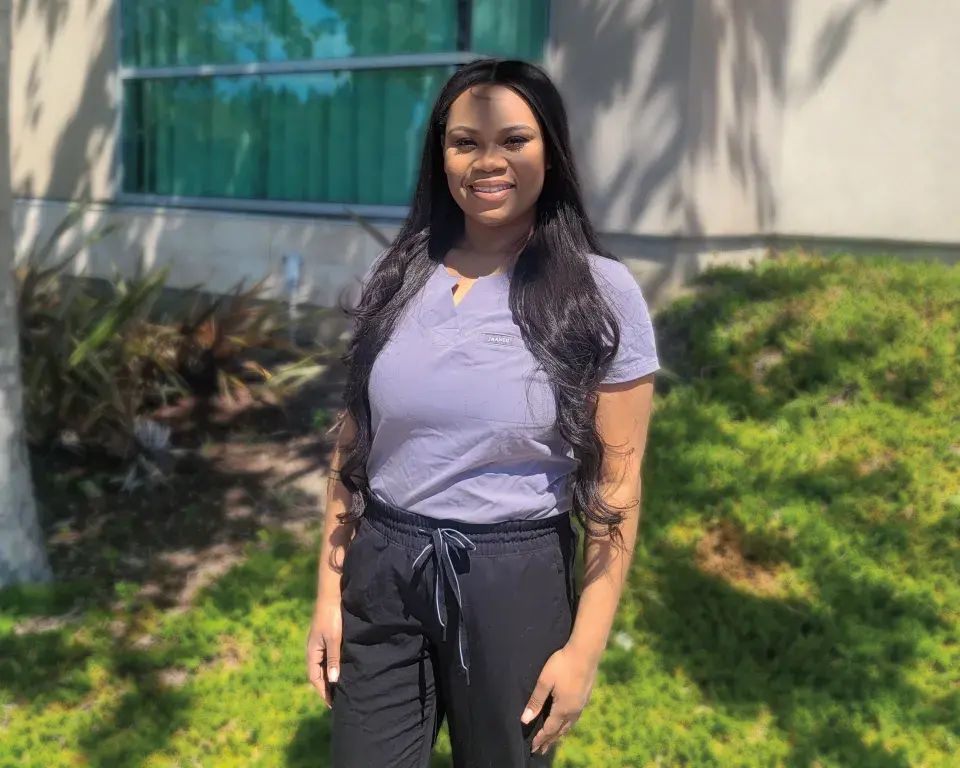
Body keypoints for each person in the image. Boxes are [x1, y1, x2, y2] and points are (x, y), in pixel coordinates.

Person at [306, 58, 659, 767]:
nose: (488, 161)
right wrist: (328, 592)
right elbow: (354, 448)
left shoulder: (602, 293)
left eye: (514, 140)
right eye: (466, 142)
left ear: (551, 152)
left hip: (514, 576)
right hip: (384, 568)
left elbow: (616, 491)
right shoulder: (398, 276)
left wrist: (584, 651)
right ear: (440, 156)